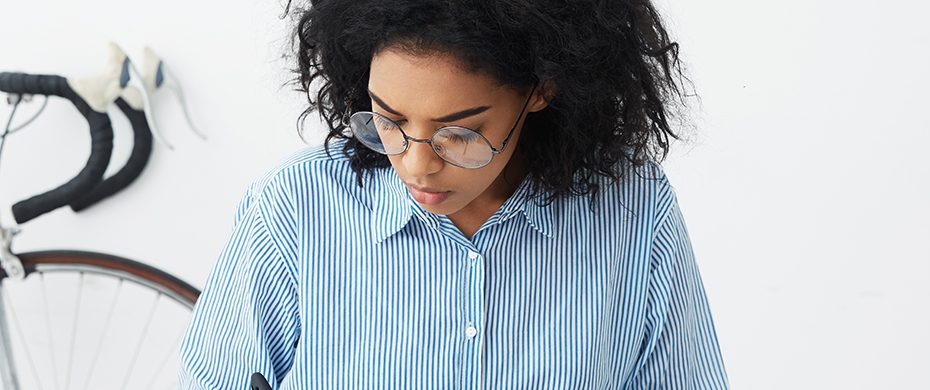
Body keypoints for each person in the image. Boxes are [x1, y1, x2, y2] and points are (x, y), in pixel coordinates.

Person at [178, 0, 728, 388]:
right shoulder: (296, 207)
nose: (416, 166)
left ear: (541, 89)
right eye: (388, 121)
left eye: (460, 134)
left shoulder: (632, 211)